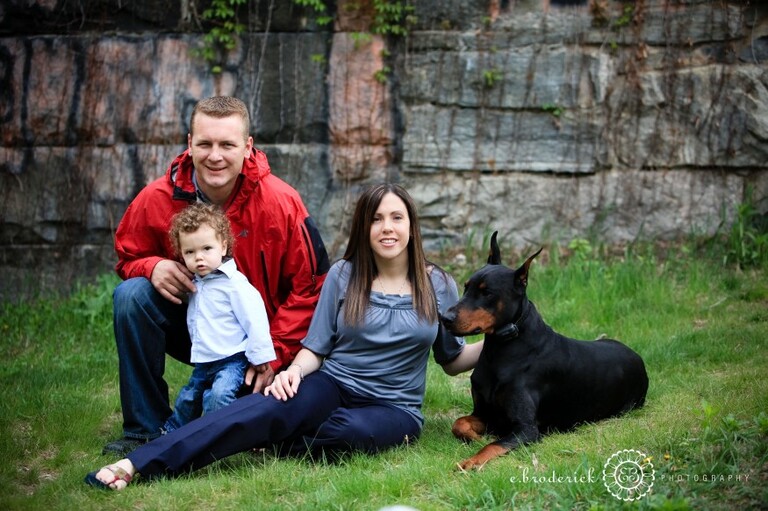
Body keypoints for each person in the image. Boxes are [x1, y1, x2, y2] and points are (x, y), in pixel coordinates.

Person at [84, 183, 484, 490]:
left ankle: (274, 437)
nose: (387, 228)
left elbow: (451, 360)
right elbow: (318, 346)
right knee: (264, 408)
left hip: (394, 407)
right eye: (376, 219)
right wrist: (293, 371)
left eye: (396, 217)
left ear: (411, 224)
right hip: (335, 383)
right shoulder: (345, 275)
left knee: (349, 432)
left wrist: (497, 342)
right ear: (364, 228)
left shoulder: (439, 286)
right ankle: (140, 463)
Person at [104, 96, 329, 456]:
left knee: (246, 418)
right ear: (189, 143)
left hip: (263, 337)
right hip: (198, 330)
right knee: (131, 296)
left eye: (227, 144)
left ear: (248, 146)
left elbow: (310, 289)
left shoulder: (282, 202)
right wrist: (151, 266)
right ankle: (144, 430)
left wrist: (271, 354)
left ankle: (223, 412)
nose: (215, 156)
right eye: (205, 144)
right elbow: (128, 255)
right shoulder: (157, 198)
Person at [162, 202, 276, 433]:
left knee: (219, 395)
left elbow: (254, 317)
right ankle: (171, 434)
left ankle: (215, 434)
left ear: (223, 246)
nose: (199, 258)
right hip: (205, 358)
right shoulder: (196, 283)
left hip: (232, 358)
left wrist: (260, 354)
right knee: (188, 397)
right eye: (190, 252)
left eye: (207, 248)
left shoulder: (234, 285)